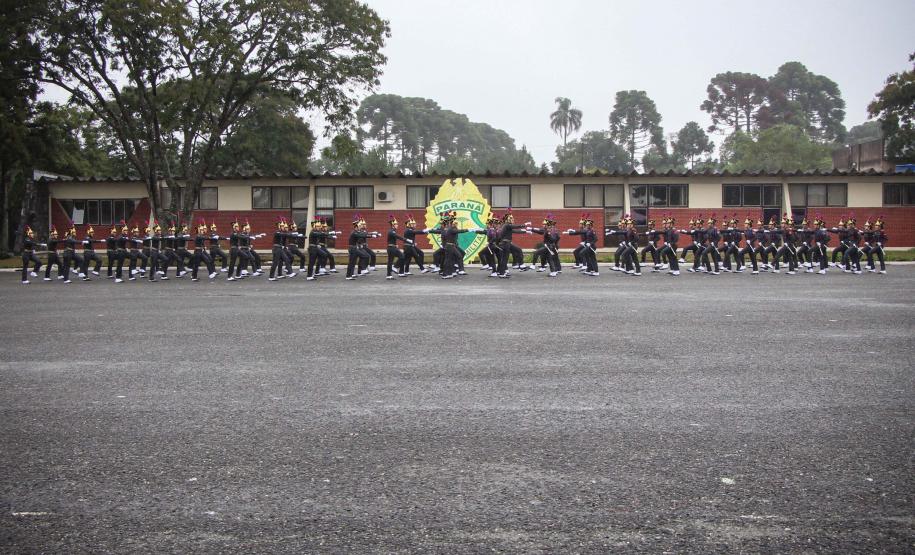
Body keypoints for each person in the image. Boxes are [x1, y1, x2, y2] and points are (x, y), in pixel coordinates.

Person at [495, 209, 531, 278]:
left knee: (518, 250)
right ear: (507, 220)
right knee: (504, 259)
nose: (513, 220)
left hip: (507, 244)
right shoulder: (506, 225)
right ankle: (502, 273)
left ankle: (521, 265)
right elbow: (515, 227)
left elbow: (516, 231)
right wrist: (524, 224)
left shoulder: (507, 226)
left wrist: (526, 231)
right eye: (511, 218)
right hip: (505, 244)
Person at [384, 215, 410, 279]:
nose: (397, 225)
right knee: (401, 257)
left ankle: (396, 273)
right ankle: (394, 268)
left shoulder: (393, 231)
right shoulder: (391, 231)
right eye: (396, 224)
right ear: (393, 225)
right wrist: (406, 239)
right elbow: (398, 236)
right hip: (391, 248)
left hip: (393, 248)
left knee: (393, 260)